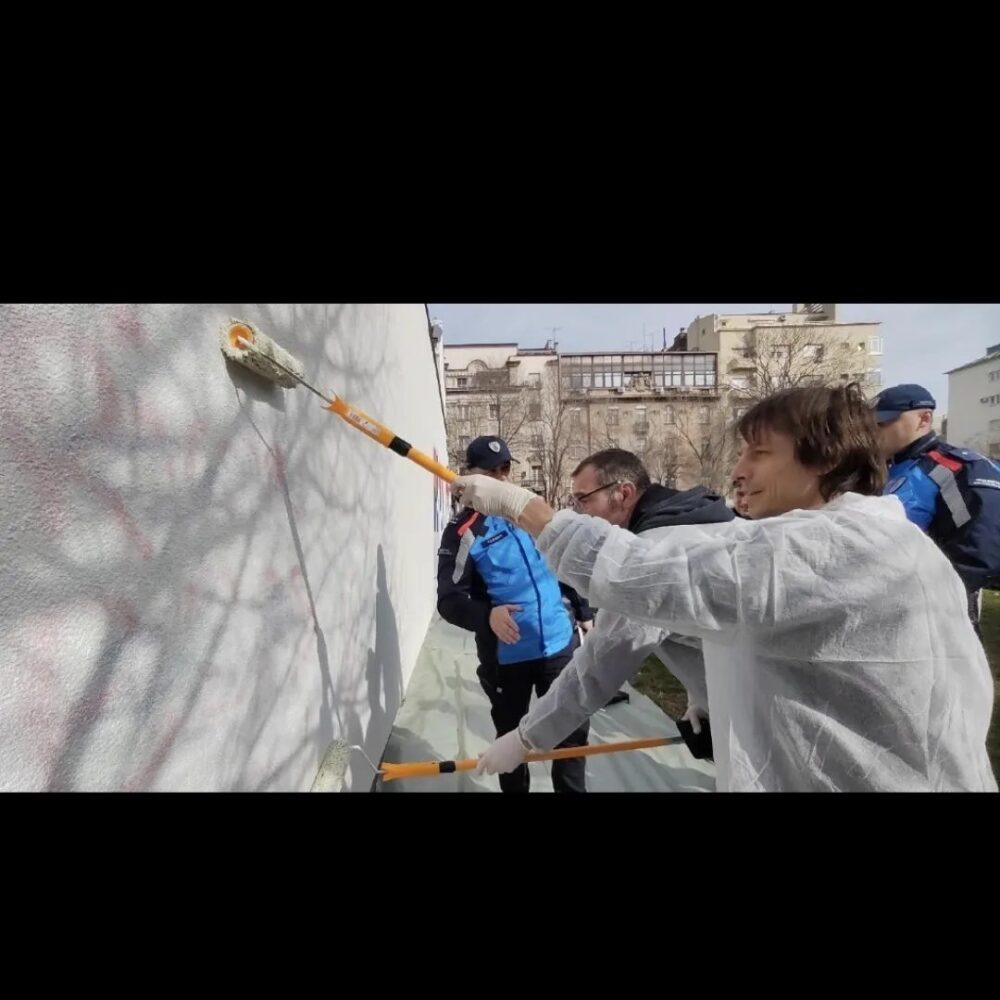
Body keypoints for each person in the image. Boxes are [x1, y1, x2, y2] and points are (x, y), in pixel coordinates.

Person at [453, 385, 996, 792]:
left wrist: (526, 508)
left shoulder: (834, 547)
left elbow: (643, 583)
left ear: (825, 459)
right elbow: (773, 633)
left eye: (758, 453)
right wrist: (711, 694)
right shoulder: (881, 538)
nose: (737, 470)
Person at [542, 449, 734, 750]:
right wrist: (700, 696)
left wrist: (524, 737)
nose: (581, 513)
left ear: (624, 493)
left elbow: (598, 667)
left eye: (584, 499)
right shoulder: (691, 518)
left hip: (753, 716)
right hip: (734, 697)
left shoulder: (653, 552)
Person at [436, 435, 593, 793]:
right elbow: (449, 599)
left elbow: (563, 564)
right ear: (470, 474)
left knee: (570, 734)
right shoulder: (463, 531)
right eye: (490, 471)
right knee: (511, 741)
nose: (500, 477)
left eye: (504, 469)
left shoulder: (531, 514)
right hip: (507, 660)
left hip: (559, 645)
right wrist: (487, 616)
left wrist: (584, 612)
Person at [872, 383, 1000, 636]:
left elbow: (980, 547)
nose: (875, 430)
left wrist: (925, 594)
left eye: (884, 421)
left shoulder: (955, 467)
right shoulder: (886, 470)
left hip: (935, 611)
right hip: (887, 604)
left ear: (924, 419)